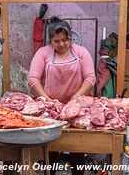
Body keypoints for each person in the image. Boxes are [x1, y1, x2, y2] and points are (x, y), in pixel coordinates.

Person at [28, 16, 96, 175]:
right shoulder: (43, 53)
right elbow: (32, 80)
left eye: (65, 40)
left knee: (76, 146)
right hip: (51, 109)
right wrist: (47, 99)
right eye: (56, 41)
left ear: (70, 38)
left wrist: (77, 96)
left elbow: (90, 78)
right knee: (51, 148)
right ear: (50, 40)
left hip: (77, 108)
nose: (61, 44)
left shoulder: (81, 52)